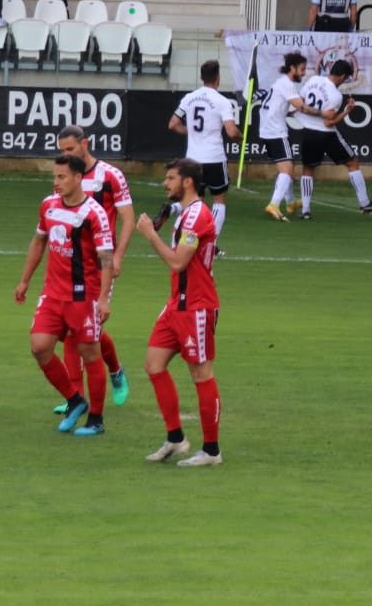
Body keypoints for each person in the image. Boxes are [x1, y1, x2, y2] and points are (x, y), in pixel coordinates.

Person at [14, 154, 117, 437]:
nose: (55, 182)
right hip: (52, 293)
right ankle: (74, 400)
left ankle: (96, 419)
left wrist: (104, 299)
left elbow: (106, 260)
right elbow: (38, 242)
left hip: (83, 297)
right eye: (54, 177)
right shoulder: (48, 205)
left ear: (78, 178)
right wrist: (24, 281)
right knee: (39, 346)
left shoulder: (93, 213)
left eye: (61, 177)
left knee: (90, 353)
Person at [138, 159, 225, 467]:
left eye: (171, 178)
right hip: (176, 305)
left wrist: (150, 234)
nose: (166, 183)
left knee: (201, 375)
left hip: (196, 308)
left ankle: (212, 451)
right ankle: (175, 439)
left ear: (188, 182)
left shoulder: (198, 216)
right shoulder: (187, 213)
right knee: (153, 364)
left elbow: (178, 262)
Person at [53, 125, 135, 411]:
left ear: (85, 144)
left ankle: (112, 373)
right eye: (62, 150)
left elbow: (127, 218)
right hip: (70, 266)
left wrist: (118, 257)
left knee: (87, 329)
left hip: (99, 265)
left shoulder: (110, 176)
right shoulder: (65, 177)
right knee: (71, 329)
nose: (65, 154)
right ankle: (76, 396)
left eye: (70, 149)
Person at [297, 58, 372, 216]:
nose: (345, 81)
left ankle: (305, 210)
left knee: (308, 169)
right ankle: (365, 203)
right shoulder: (335, 95)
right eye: (346, 78)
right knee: (352, 162)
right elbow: (328, 123)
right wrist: (347, 111)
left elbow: (301, 102)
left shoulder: (314, 79)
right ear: (343, 76)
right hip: (326, 134)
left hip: (307, 130)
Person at [171, 60, 242, 242]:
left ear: (201, 78)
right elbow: (231, 131)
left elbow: (172, 124)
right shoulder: (222, 101)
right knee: (219, 199)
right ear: (218, 78)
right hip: (214, 158)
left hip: (192, 159)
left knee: (194, 201)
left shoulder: (189, 98)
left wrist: (191, 132)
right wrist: (240, 138)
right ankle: (211, 241)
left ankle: (186, 236)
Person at [261, 52, 310, 221]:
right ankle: (274, 204)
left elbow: (288, 107)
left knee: (288, 168)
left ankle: (290, 202)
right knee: (287, 170)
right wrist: (322, 113)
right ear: (292, 68)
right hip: (276, 132)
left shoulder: (280, 83)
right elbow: (300, 106)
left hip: (269, 131)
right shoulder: (287, 84)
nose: (304, 73)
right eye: (302, 69)